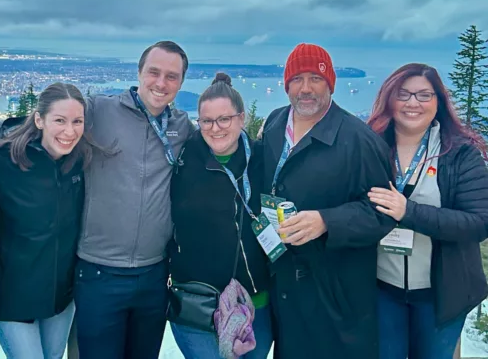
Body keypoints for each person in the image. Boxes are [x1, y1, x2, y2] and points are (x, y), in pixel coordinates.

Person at [260, 43, 396, 359]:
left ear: (330, 84)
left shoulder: (359, 141)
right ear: (286, 84)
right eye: (297, 79)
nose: (305, 89)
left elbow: (383, 213)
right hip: (285, 285)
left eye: (315, 79)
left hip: (337, 297)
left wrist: (326, 221)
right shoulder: (276, 124)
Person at [74, 41, 195, 358]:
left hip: (154, 276)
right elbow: (52, 122)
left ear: (181, 83)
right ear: (139, 73)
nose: (161, 83)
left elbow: (221, 146)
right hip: (99, 273)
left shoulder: (182, 127)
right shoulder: (99, 111)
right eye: (154, 72)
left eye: (171, 76)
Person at [367, 63, 488, 359]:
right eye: (404, 94)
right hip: (381, 289)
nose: (412, 103)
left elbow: (479, 223)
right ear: (389, 99)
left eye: (424, 95)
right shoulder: (370, 146)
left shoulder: (460, 153)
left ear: (438, 102)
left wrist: (408, 211)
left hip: (440, 295)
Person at [0, 83, 103, 359]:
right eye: (60, 120)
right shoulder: (2, 160)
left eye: (77, 121)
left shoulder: (78, 160)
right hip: (13, 299)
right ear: (39, 120)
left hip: (60, 299)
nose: (69, 131)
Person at [168, 73, 273, 359]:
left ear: (241, 118)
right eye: (206, 121)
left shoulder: (263, 159)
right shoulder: (182, 159)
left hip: (255, 302)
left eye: (224, 119)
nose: (215, 129)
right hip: (197, 302)